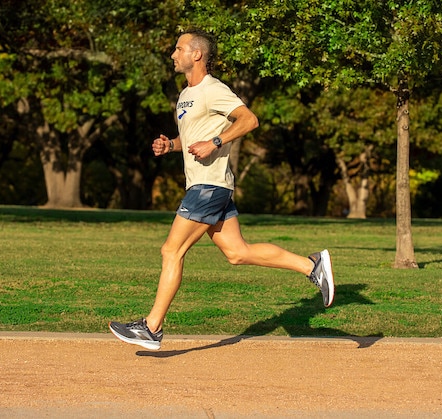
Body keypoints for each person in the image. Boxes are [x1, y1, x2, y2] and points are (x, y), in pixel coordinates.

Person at [109, 29, 335, 350]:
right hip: (209, 185)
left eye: (179, 49)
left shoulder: (214, 89)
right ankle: (311, 266)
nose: (173, 55)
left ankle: (152, 327)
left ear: (197, 54)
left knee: (171, 251)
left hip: (208, 185)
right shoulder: (186, 94)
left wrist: (216, 141)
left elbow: (249, 120)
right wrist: (170, 144)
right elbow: (193, 138)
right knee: (237, 253)